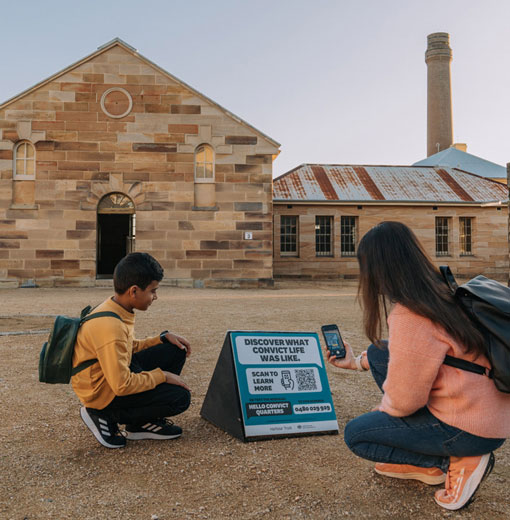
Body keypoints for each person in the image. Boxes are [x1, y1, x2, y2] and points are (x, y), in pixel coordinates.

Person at [326, 221, 510, 511]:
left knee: (358, 434)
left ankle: (453, 461)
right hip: (491, 414)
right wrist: (356, 362)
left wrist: (385, 411)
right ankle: (432, 466)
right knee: (378, 352)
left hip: (469, 430)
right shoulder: (444, 290)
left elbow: (405, 403)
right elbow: (406, 354)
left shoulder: (411, 314)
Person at [72, 252, 191, 449]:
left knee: (174, 349)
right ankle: (104, 415)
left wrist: (160, 339)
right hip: (103, 394)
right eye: (153, 291)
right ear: (134, 291)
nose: (155, 297)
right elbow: (122, 385)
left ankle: (139, 423)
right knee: (180, 398)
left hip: (110, 377)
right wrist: (162, 376)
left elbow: (127, 348)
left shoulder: (115, 306)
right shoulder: (111, 326)